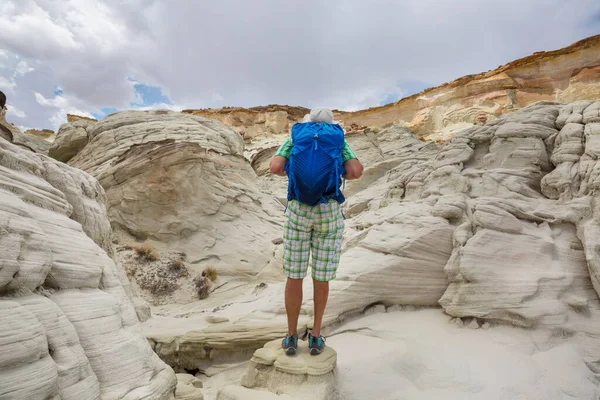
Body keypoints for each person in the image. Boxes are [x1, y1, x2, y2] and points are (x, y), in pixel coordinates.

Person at [269, 107, 363, 356]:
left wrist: (293, 171)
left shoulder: (295, 137)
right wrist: (335, 172)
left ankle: (290, 336)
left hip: (298, 212)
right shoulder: (339, 140)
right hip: (328, 213)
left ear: (308, 122)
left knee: (294, 275)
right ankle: (316, 336)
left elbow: (275, 167)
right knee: (321, 277)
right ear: (331, 124)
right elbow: (355, 171)